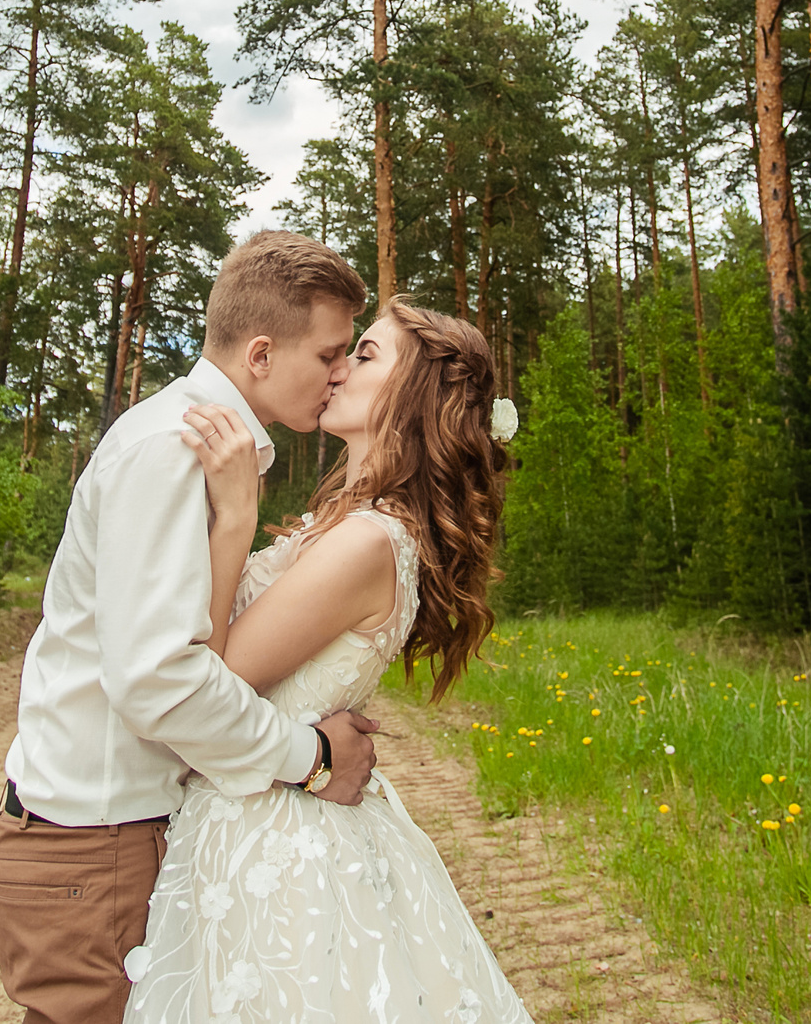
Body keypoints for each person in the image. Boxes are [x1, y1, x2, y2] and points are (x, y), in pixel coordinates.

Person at [0, 230, 379, 1024]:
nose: (340, 371)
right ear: (262, 354)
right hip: (91, 850)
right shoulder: (171, 449)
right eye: (331, 353)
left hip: (120, 838)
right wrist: (309, 759)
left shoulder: (210, 449)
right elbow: (159, 682)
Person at [122, 297, 533, 1024]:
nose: (340, 367)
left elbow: (216, 669)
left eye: (366, 354)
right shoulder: (348, 523)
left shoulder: (369, 541)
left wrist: (236, 519)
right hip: (263, 816)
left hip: (281, 842)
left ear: (412, 400)